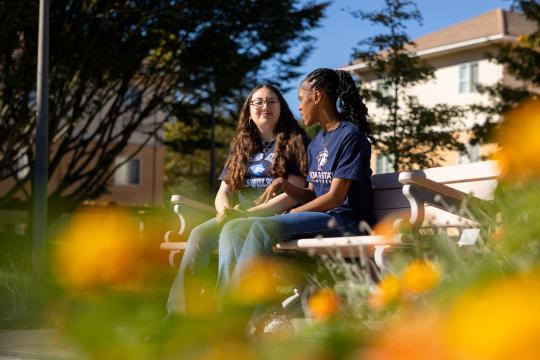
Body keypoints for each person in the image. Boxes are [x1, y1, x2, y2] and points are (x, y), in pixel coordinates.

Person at [217, 68, 375, 329]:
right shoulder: (316, 143)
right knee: (235, 228)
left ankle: (233, 315)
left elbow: (335, 197)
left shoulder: (350, 136)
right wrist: (284, 185)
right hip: (324, 218)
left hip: (349, 219)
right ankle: (260, 311)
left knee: (260, 227)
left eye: (301, 99)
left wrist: (293, 214)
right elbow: (313, 192)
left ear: (317, 97)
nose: (299, 107)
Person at [166, 84, 309, 315]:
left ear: (281, 107)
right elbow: (225, 190)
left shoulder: (295, 141)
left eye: (272, 101)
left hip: (275, 218)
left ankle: (225, 311)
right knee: (199, 234)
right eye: (258, 102)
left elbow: (293, 194)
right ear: (249, 109)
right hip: (237, 214)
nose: (265, 107)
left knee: (231, 231)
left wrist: (248, 214)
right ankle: (177, 314)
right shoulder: (242, 145)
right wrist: (223, 210)